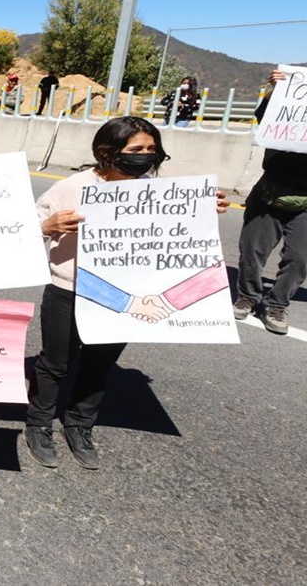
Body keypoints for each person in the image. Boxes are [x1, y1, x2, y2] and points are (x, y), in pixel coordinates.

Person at [25, 116, 228, 470]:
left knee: (99, 364)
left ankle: (79, 425)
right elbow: (18, 231)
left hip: (122, 299)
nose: (145, 156)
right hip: (68, 291)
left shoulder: (158, 194)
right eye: (136, 150)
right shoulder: (71, 188)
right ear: (108, 152)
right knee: (55, 364)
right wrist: (47, 226)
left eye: (151, 149)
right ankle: (39, 424)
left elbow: (177, 235)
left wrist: (204, 211)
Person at [233, 69, 307, 335]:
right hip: (269, 192)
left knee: (299, 259)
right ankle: (248, 297)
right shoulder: (288, 106)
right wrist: (275, 92)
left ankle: (277, 304)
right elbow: (264, 117)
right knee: (252, 250)